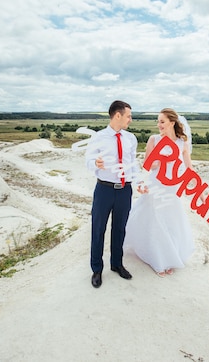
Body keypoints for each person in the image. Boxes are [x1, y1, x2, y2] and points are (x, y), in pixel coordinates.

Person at [123, 108, 195, 277]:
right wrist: (158, 159)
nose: (159, 125)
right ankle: (158, 260)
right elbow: (147, 164)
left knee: (170, 220)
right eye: (158, 121)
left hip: (173, 187)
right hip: (156, 184)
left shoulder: (182, 143)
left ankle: (169, 257)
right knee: (156, 220)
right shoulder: (154, 139)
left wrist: (199, 188)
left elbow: (189, 167)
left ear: (172, 122)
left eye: (162, 121)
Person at [85, 100, 138, 288]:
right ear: (118, 115)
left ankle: (117, 264)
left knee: (120, 229)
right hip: (104, 190)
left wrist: (137, 182)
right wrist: (95, 164)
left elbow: (133, 163)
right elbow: (88, 160)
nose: (130, 119)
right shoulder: (98, 137)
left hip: (125, 190)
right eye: (128, 116)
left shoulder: (130, 138)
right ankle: (97, 269)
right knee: (98, 229)